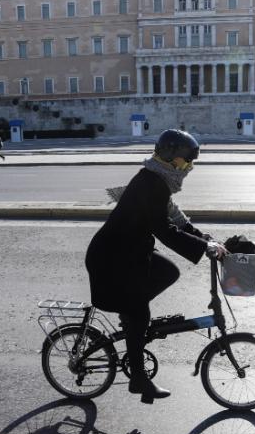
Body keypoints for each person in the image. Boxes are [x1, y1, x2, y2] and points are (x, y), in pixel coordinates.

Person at [85, 129, 227, 404]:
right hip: (111, 258)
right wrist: (203, 248)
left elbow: (177, 221)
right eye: (187, 162)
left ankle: (132, 316)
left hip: (128, 253)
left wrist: (206, 239)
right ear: (172, 159)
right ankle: (138, 379)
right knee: (139, 311)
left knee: (168, 272)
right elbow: (164, 231)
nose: (189, 168)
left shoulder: (158, 181)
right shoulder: (150, 183)